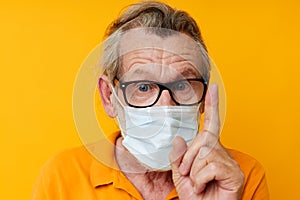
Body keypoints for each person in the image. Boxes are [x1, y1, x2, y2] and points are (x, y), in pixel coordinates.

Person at [31, 1, 269, 199]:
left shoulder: (241, 177)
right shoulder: (62, 177)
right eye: (143, 87)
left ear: (204, 98)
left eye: (183, 85)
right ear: (108, 96)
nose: (165, 107)